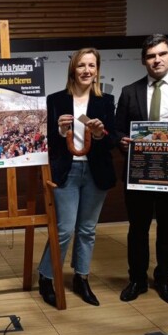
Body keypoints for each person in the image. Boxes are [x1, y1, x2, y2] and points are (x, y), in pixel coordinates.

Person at [116, 34, 168, 304]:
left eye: (161, 54)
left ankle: (163, 279)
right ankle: (137, 280)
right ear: (143, 61)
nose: (156, 60)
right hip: (139, 174)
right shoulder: (129, 91)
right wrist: (122, 142)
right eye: (151, 56)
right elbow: (118, 129)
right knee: (137, 228)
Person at [37, 48, 117, 307]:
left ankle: (81, 278)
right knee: (64, 229)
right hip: (67, 171)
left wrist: (98, 134)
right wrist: (60, 130)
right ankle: (47, 277)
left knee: (87, 230)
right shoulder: (56, 99)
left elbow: (113, 139)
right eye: (82, 65)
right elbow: (44, 139)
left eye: (91, 66)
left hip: (96, 172)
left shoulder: (106, 100)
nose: (86, 70)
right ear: (73, 69)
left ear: (97, 70)